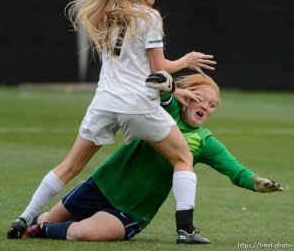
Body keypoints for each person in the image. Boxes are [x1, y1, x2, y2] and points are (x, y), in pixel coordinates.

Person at [7, 0, 216, 243]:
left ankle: (25, 217)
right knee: (183, 158)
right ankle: (186, 230)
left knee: (69, 166)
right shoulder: (149, 17)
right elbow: (158, 69)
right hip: (137, 104)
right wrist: (184, 61)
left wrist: (177, 91)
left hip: (104, 103)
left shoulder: (108, 12)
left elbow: (133, 70)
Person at [21, 73, 283, 244]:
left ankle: (42, 230)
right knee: (47, 219)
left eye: (212, 105)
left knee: (79, 233)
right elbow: (163, 91)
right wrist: (169, 83)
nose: (205, 106)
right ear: (187, 96)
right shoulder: (163, 113)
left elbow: (236, 171)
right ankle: (38, 224)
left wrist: (256, 181)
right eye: (201, 98)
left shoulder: (205, 142)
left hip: (131, 210)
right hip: (101, 186)